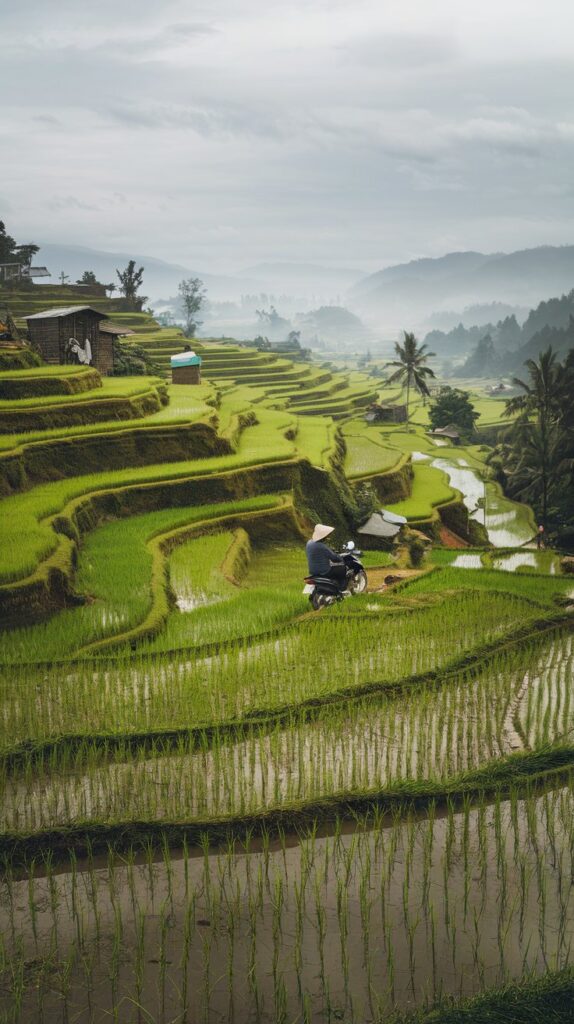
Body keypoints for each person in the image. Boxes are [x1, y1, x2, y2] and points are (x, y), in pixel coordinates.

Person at [306, 524, 348, 591]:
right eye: (327, 535)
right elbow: (334, 558)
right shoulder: (322, 546)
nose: (328, 536)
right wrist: (340, 558)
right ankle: (341, 588)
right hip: (324, 571)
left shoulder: (309, 543)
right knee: (342, 568)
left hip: (313, 571)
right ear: (323, 536)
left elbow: (318, 553)